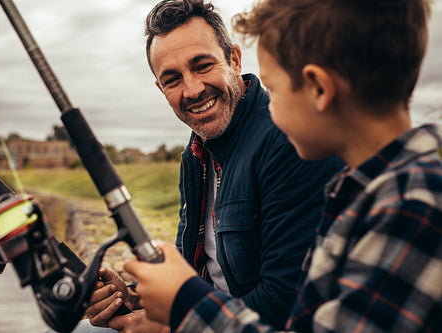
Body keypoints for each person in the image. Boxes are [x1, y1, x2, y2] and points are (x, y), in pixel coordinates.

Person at [124, 0, 442, 332]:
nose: (269, 108)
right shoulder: (362, 193)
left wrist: (182, 313)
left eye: (273, 91)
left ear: (318, 88)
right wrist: (141, 296)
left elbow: (285, 306)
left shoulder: (409, 208)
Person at [77, 0, 340, 332]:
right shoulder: (197, 150)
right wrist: (132, 299)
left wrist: (173, 323)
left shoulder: (289, 140)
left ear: (233, 59)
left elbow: (285, 300)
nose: (193, 89)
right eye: (172, 79)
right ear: (161, 89)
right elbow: (190, 272)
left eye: (202, 65)